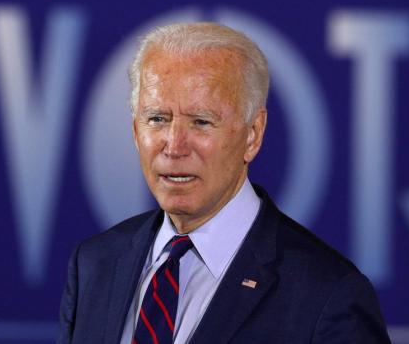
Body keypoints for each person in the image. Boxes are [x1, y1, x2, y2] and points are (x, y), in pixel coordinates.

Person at [58, 22, 391, 344]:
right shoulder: (94, 264)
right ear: (135, 131)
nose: (174, 146)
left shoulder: (327, 295)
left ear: (253, 134)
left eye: (201, 122)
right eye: (157, 119)